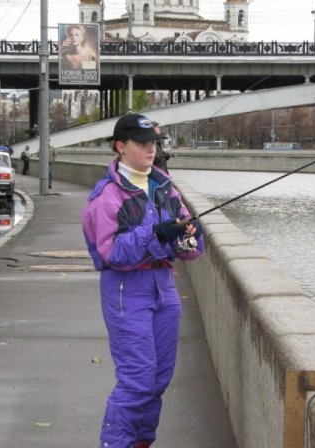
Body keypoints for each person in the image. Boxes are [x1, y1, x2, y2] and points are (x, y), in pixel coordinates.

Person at [80, 113, 204, 448]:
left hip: (164, 288)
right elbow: (112, 254)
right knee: (137, 381)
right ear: (120, 147)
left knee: (158, 379)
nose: (151, 149)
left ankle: (141, 442)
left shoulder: (164, 186)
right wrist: (154, 234)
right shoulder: (106, 197)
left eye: (153, 144)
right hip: (126, 291)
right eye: (142, 143)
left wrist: (190, 236)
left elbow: (190, 252)